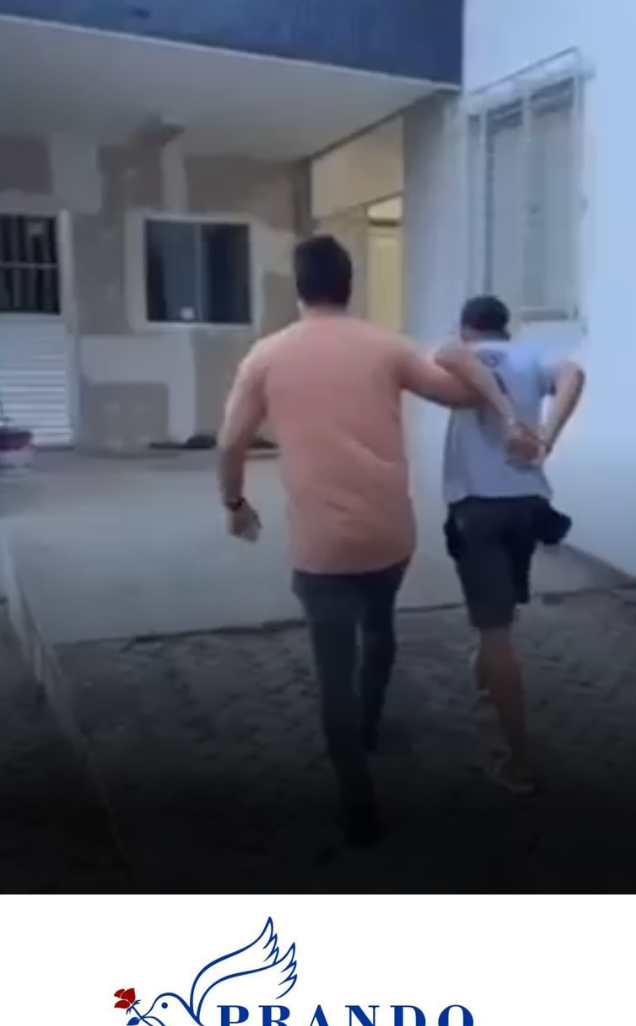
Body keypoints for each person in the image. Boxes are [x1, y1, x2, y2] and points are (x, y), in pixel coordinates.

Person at [216, 237, 538, 847]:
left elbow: (231, 443)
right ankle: (368, 725)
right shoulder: (386, 346)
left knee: (333, 671)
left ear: (300, 289)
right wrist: (479, 361)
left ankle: (357, 798)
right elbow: (461, 392)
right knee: (379, 625)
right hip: (389, 534)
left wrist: (235, 505)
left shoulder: (267, 355)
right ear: (350, 286)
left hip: (321, 545)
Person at [433, 295, 586, 795]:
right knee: (499, 612)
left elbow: (446, 354)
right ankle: (486, 680)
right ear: (506, 326)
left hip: (480, 507)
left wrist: (503, 415)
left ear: (466, 327)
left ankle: (519, 762)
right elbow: (574, 374)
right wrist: (546, 438)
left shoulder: (461, 352)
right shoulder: (529, 355)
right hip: (528, 506)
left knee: (496, 632)